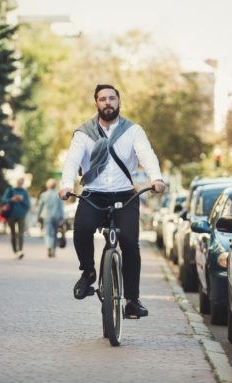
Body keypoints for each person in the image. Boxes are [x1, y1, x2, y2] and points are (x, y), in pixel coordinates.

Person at [59, 84, 166, 318]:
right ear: (96, 103)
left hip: (125, 194)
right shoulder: (83, 133)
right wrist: (67, 184)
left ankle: (132, 300)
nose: (107, 103)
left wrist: (156, 178)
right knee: (82, 229)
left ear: (119, 101)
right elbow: (72, 160)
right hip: (93, 193)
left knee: (129, 243)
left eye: (112, 98)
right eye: (102, 99)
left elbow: (146, 154)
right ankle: (88, 273)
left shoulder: (133, 131)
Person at [2, 177, 30, 260]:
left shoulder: (24, 192)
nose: (20, 184)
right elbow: (3, 199)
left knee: (21, 234)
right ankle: (15, 251)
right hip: (11, 215)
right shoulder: (10, 190)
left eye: (21, 183)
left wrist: (21, 200)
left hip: (21, 215)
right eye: (19, 182)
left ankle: (20, 251)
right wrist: (12, 199)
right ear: (16, 182)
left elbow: (28, 204)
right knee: (13, 234)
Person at [36, 178, 64, 258]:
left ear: (47, 186)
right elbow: (61, 207)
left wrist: (38, 216)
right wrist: (62, 217)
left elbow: (40, 206)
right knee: (55, 233)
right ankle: (53, 250)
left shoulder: (44, 195)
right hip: (56, 216)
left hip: (46, 216)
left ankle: (49, 246)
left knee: (48, 233)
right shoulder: (58, 195)